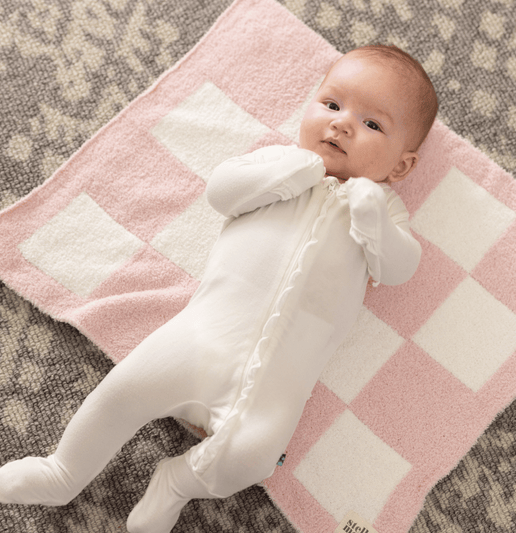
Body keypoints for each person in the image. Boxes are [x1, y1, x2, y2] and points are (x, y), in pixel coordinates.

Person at [0, 44, 438, 533]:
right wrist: (295, 170)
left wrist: (372, 212)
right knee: (123, 391)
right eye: (332, 105)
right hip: (202, 336)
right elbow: (223, 191)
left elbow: (400, 267)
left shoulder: (385, 209)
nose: (341, 125)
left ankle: (177, 482)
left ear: (400, 167)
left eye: (372, 124)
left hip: (278, 382)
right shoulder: (280, 162)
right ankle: (62, 471)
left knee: (251, 459)